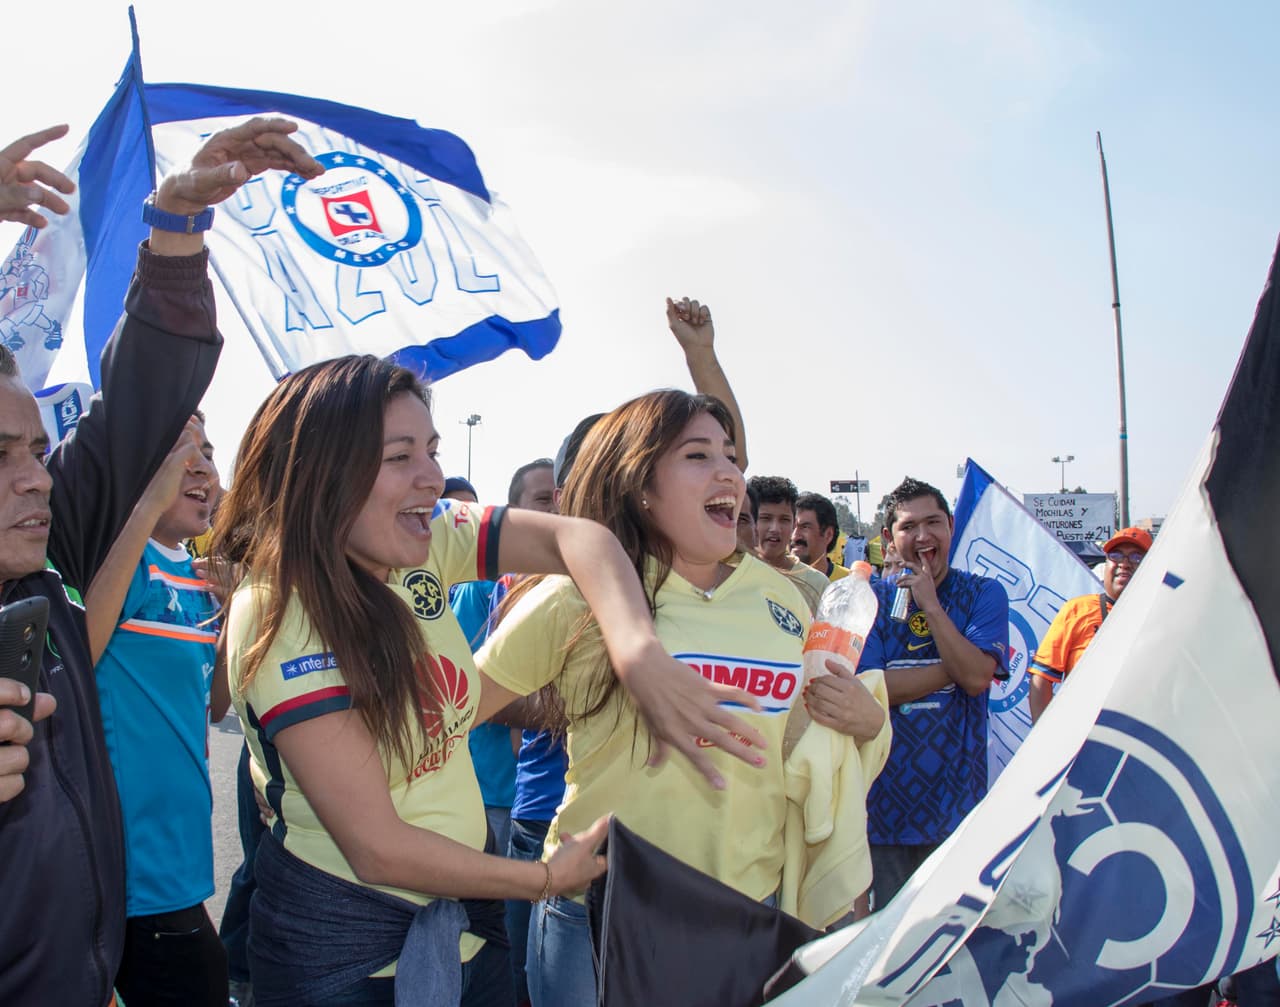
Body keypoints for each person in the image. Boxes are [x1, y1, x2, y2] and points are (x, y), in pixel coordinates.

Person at [214, 358, 766, 1007]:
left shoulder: (425, 539)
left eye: (433, 449)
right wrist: (541, 877)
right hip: (348, 959)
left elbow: (579, 538)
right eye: (400, 456)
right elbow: (376, 847)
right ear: (322, 472)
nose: (431, 476)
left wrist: (635, 646)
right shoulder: (279, 611)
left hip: (467, 935)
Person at [0, 117, 319, 1007]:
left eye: (35, 449)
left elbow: (141, 394)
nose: (36, 478)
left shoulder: (50, 563)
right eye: (1, 456)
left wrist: (176, 221)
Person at [476, 390, 889, 1005]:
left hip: (746, 914)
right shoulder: (576, 597)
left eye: (730, 456)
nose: (730, 472)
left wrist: (869, 719)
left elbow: (807, 749)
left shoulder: (786, 602)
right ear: (638, 484)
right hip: (597, 911)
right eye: (698, 455)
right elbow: (446, 717)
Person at [84, 413, 229, 1007]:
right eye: (178, 451)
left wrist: (233, 608)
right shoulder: (122, 560)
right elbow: (79, 649)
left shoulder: (198, 577)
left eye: (208, 452)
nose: (200, 467)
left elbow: (215, 704)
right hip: (131, 865)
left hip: (183, 854)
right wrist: (142, 508)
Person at [860, 477, 1010, 911]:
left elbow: (979, 680)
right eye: (909, 527)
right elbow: (872, 689)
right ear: (889, 538)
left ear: (951, 527)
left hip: (958, 814)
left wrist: (933, 607)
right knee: (888, 952)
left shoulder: (983, 593)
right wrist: (961, 666)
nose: (923, 537)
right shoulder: (868, 600)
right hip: (883, 816)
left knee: (952, 951)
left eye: (934, 523)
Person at [1028, 526, 1152, 722]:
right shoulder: (1077, 610)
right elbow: (1041, 679)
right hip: (1083, 734)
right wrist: (1044, 740)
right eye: (1116, 555)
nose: (1125, 563)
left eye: (1137, 557)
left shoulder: (1162, 612)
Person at [747, 474, 830, 613]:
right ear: (751, 521)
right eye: (765, 518)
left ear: (793, 525)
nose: (775, 529)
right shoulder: (732, 576)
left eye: (784, 520)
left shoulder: (816, 584)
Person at [792, 490, 850, 581]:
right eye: (792, 527)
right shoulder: (777, 580)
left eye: (805, 527)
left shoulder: (848, 582)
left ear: (828, 535)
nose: (795, 536)